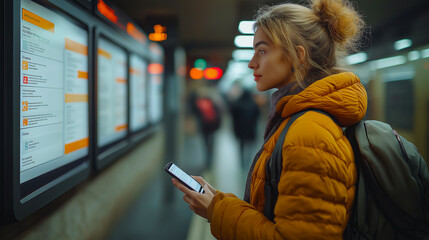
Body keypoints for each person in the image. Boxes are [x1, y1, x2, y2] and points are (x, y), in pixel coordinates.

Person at [172, 0, 367, 238]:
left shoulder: (310, 134)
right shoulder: (296, 119)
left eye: (262, 51)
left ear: (298, 56)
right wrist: (218, 202)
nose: (252, 62)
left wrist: (217, 211)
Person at [230, 88, 260, 169]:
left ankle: (242, 161)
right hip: (251, 129)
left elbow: (233, 116)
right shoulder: (253, 104)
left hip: (240, 129)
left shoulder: (237, 104)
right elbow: (257, 116)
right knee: (250, 145)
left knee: (241, 145)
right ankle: (248, 161)